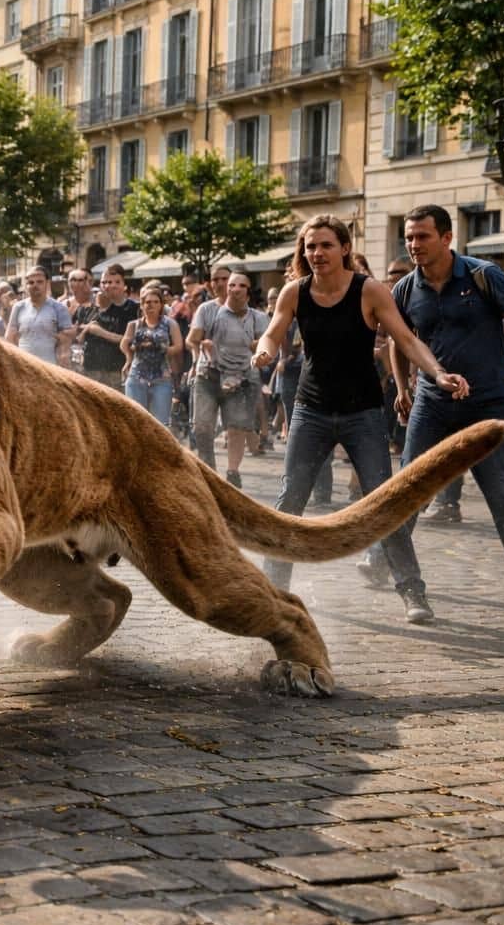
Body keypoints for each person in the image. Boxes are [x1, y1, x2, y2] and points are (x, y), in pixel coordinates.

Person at [253, 214, 467, 624]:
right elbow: (274, 332)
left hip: (363, 413)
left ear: (345, 248)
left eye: (326, 245)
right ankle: (272, 595)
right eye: (310, 246)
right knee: (289, 502)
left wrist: (437, 374)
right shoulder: (294, 293)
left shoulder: (369, 290)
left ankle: (412, 592)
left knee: (384, 505)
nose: (317, 253)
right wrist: (264, 350)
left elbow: (406, 340)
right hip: (311, 410)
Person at [389, 204, 504, 604]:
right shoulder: (404, 289)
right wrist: (403, 388)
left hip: (487, 404)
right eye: (409, 237)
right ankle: (384, 562)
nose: (414, 245)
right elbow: (401, 341)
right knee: (408, 486)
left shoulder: (483, 275)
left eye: (423, 236)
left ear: (447, 237)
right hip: (432, 404)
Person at [188, 270, 268, 488]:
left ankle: (232, 473)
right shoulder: (207, 310)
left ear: (248, 291)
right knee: (202, 428)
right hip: (209, 374)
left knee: (236, 428)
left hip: (243, 379)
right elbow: (192, 339)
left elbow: (267, 348)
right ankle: (209, 472)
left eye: (238, 285)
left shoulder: (259, 318)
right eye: (226, 283)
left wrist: (259, 351)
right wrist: (200, 351)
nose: (230, 287)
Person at [121, 283, 182, 425]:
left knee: (160, 423)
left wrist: (162, 348)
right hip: (137, 376)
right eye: (147, 302)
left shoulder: (170, 324)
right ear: (141, 305)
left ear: (161, 305)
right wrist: (129, 357)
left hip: (161, 377)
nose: (151, 305)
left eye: (155, 302)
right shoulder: (134, 324)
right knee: (136, 420)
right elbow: (124, 344)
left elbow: (178, 346)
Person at [74, 263, 139, 389]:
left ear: (124, 285)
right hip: (91, 370)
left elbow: (133, 341)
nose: (110, 285)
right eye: (106, 282)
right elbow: (78, 340)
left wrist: (100, 332)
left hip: (118, 371)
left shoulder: (134, 309)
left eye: (116, 282)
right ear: (100, 285)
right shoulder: (87, 309)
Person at [5, 266, 74, 365]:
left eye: (39, 282)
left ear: (47, 283)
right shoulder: (19, 307)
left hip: (50, 366)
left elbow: (66, 341)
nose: (35, 285)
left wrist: (63, 364)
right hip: (24, 365)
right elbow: (10, 337)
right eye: (31, 282)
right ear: (26, 285)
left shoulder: (59, 308)